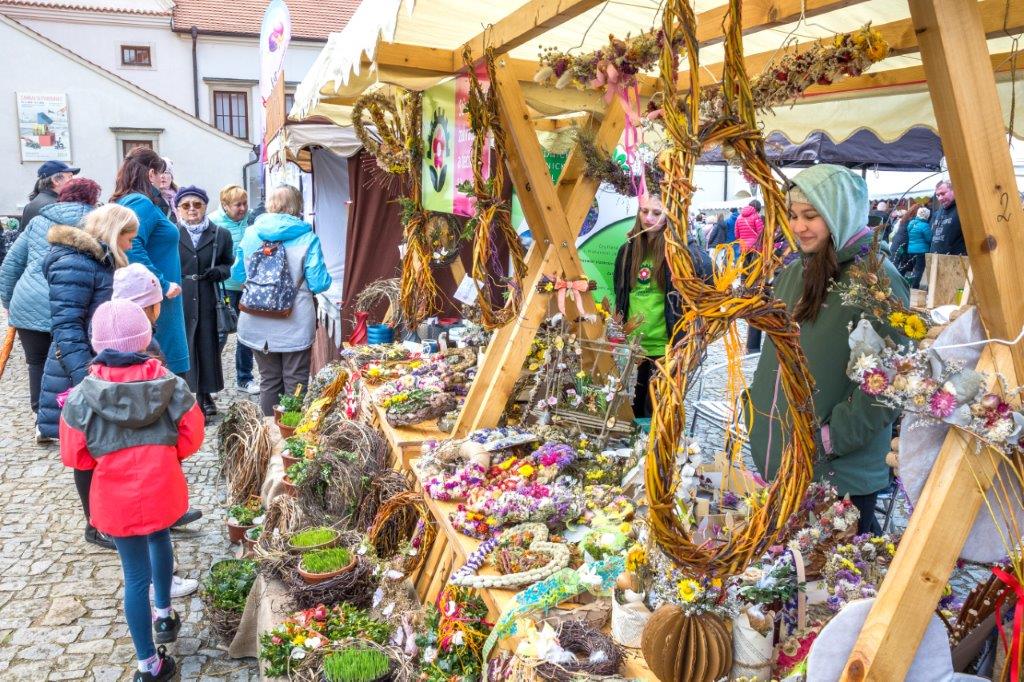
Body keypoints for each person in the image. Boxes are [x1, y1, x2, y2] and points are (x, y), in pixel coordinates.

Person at [746, 164, 909, 536]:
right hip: (783, 461)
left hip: (838, 477)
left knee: (829, 589)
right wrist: (757, 415)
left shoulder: (877, 282)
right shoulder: (794, 273)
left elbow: (888, 385)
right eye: (792, 215)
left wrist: (828, 438)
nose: (799, 226)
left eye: (810, 215)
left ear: (840, 212)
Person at [59, 299, 204, 682]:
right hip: (162, 486)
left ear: (96, 344)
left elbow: (76, 456)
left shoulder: (80, 398)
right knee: (160, 538)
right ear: (145, 338)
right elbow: (193, 436)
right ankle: (163, 613)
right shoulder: (172, 386)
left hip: (115, 498)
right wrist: (166, 455)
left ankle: (148, 665)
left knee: (133, 576)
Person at [38, 203, 137, 548]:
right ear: (112, 231)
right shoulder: (74, 262)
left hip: (97, 366)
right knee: (88, 451)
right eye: (128, 237)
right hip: (79, 369)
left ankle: (121, 514)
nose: (130, 245)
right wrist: (86, 378)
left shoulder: (95, 261)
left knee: (107, 447)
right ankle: (95, 524)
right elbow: (67, 327)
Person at [0, 178, 100, 440]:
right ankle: (73, 420)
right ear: (92, 198)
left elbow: (10, 266)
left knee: (36, 363)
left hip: (28, 302)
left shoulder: (38, 221)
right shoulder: (97, 221)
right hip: (73, 300)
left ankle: (40, 422)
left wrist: (10, 304)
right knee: (71, 359)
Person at [112, 262, 205, 540]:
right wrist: (175, 452)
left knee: (134, 552)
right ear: (151, 308)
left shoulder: (97, 374)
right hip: (158, 466)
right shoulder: (153, 360)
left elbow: (75, 447)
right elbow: (190, 421)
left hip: (117, 485)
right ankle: (164, 583)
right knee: (157, 534)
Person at [232, 185, 332, 416]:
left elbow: (237, 275)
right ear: (297, 207)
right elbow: (319, 283)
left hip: (256, 320)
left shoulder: (251, 234)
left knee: (268, 380)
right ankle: (291, 437)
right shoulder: (308, 238)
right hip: (295, 320)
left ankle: (270, 435)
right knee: (296, 381)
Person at [111, 147, 189, 377]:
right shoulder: (140, 202)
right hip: (156, 300)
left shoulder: (134, 200)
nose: (163, 178)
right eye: (160, 172)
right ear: (151, 173)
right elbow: (131, 246)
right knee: (165, 372)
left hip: (155, 297)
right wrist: (162, 284)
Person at [613, 192, 681, 419]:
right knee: (630, 409)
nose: (649, 218)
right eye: (644, 211)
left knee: (656, 412)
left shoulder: (674, 253)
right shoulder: (627, 251)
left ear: (668, 216)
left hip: (663, 349)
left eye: (656, 213)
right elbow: (621, 295)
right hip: (633, 349)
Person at [175, 186, 233, 416]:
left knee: (207, 345)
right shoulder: (172, 233)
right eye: (186, 205)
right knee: (185, 344)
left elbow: (229, 264)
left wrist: (218, 271)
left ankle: (205, 395)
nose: (192, 210)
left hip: (208, 294)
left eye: (197, 205)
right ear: (178, 209)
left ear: (205, 207)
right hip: (181, 295)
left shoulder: (221, 234)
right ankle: (183, 396)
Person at [209, 184, 258, 394]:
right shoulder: (213, 222)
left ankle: (244, 378)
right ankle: (209, 378)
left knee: (246, 334)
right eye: (238, 204)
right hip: (225, 286)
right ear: (225, 206)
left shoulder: (252, 220)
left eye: (245, 203)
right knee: (220, 333)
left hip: (248, 286)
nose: (243, 208)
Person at [21, 160, 80, 231]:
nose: (73, 181)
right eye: (69, 177)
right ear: (56, 181)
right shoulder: (56, 206)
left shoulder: (31, 205)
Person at [930, 180, 965, 255]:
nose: (940, 198)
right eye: (938, 195)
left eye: (943, 194)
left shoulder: (963, 209)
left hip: (957, 261)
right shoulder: (939, 211)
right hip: (936, 260)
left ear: (953, 191)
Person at [906, 206, 933, 289]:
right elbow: (929, 239)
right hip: (921, 251)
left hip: (911, 250)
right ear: (927, 216)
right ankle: (914, 287)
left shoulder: (911, 224)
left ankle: (911, 284)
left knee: (915, 269)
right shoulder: (925, 226)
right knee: (919, 270)